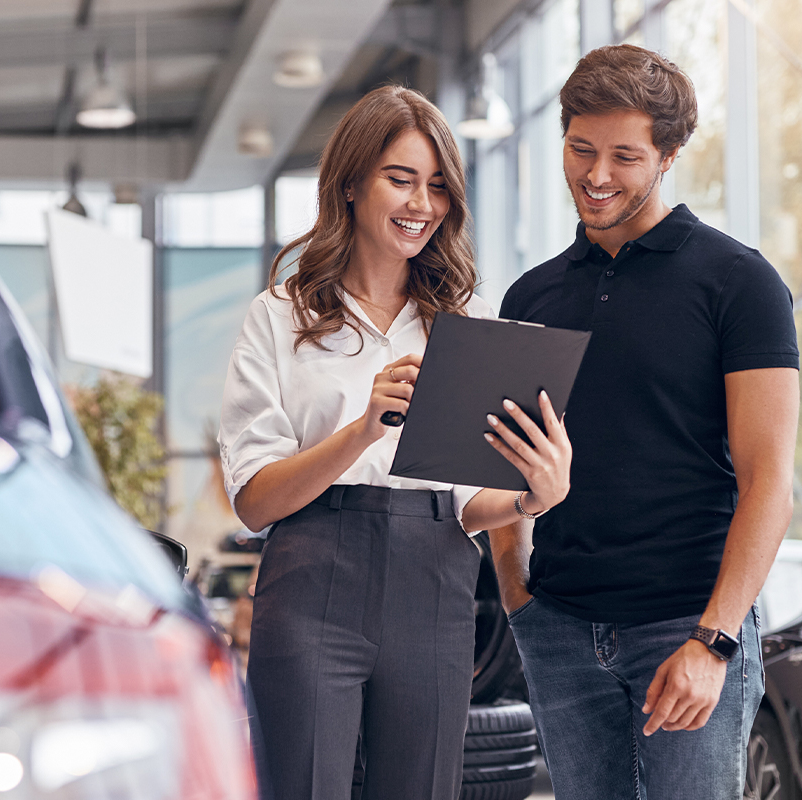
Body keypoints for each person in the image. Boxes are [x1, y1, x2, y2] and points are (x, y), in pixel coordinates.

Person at [217, 85, 572, 800]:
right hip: (310, 586)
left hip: (434, 587)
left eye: (438, 186)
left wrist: (536, 495)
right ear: (350, 184)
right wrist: (360, 430)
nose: (421, 204)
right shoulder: (280, 316)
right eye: (400, 179)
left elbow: (467, 503)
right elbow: (256, 503)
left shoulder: (463, 322)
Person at [489, 44, 800, 800]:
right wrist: (517, 597)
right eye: (580, 149)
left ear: (668, 155)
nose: (596, 176)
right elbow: (504, 465)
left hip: (686, 625)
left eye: (624, 157)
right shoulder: (529, 298)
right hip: (559, 626)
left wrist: (714, 639)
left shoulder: (739, 282)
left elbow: (769, 482)